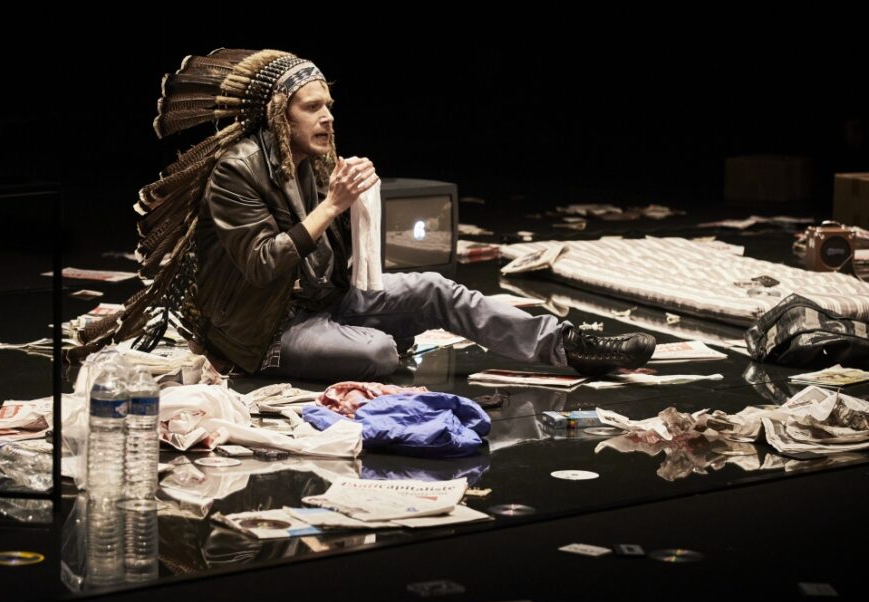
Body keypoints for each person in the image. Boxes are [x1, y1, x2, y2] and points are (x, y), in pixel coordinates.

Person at [77, 49, 655, 381]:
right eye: (314, 107)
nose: (328, 116)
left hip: (323, 303)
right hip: (265, 328)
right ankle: (320, 350)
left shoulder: (314, 156)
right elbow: (260, 265)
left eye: (330, 104)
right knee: (377, 353)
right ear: (281, 115)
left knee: (435, 288)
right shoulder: (236, 172)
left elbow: (344, 266)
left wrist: (357, 207)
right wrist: (334, 205)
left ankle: (567, 345)